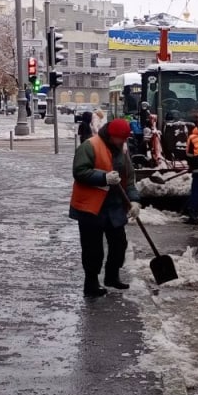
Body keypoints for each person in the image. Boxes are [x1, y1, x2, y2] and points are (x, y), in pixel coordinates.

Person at [70, 118, 141, 298]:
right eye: (120, 139)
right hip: (91, 207)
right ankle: (91, 283)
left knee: (119, 244)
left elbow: (129, 178)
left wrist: (134, 201)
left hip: (114, 206)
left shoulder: (123, 149)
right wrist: (104, 177)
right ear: (111, 136)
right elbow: (79, 171)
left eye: (125, 139)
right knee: (93, 249)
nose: (123, 142)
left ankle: (112, 276)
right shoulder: (90, 145)